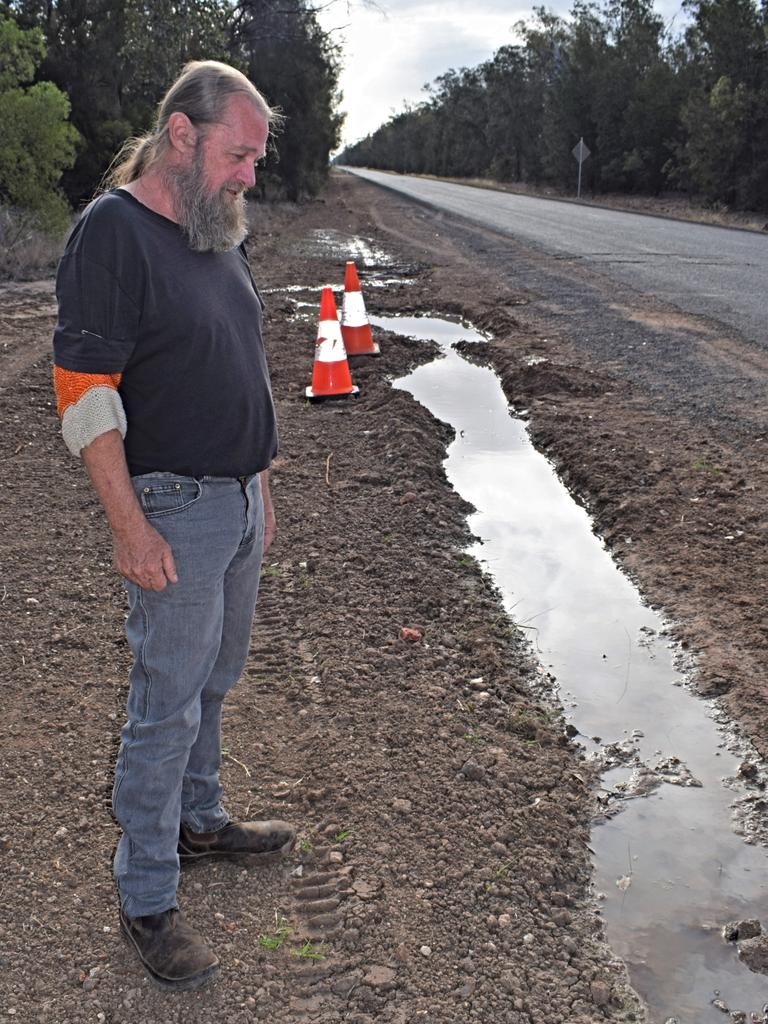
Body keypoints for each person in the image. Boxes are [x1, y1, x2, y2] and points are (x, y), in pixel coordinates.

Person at [51, 60, 295, 992]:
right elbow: (84, 392)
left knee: (213, 681)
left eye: (256, 160)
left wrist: (259, 490)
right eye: (238, 155)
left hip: (234, 502)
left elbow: (243, 364)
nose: (248, 177)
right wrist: (128, 523)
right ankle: (147, 896)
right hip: (174, 509)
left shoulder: (217, 230)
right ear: (182, 137)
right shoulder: (113, 233)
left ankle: (201, 821)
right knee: (166, 699)